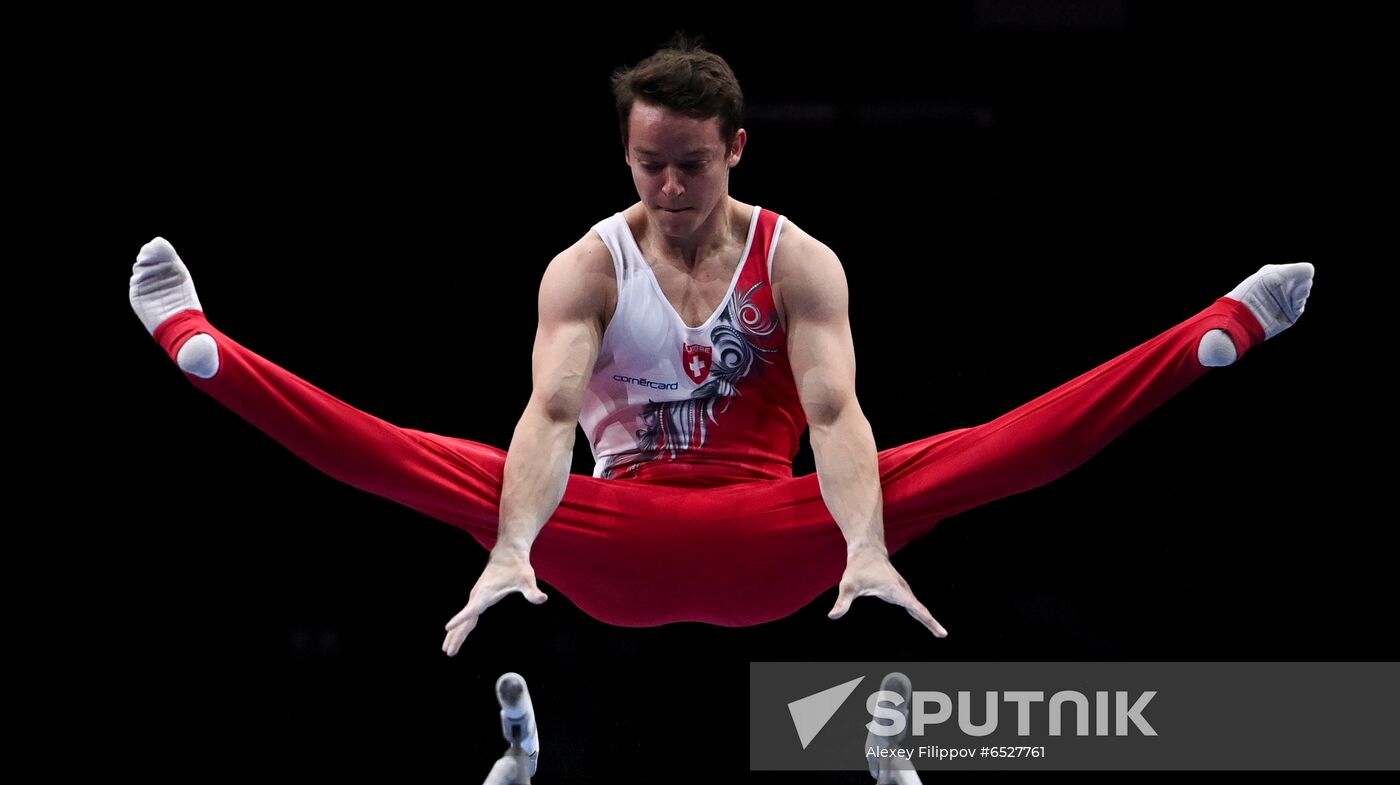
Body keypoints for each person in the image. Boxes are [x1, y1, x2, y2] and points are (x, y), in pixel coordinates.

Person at [128, 38, 1313, 657]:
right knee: (419, 459)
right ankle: (201, 345)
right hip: (610, 535)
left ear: (736, 147)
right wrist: (508, 548)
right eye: (646, 162)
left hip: (778, 536)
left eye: (689, 161)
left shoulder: (798, 260)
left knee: (970, 458)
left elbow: (838, 418)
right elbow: (548, 419)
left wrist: (861, 550)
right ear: (626, 153)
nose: (667, 183)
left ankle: (1215, 331)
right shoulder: (587, 265)